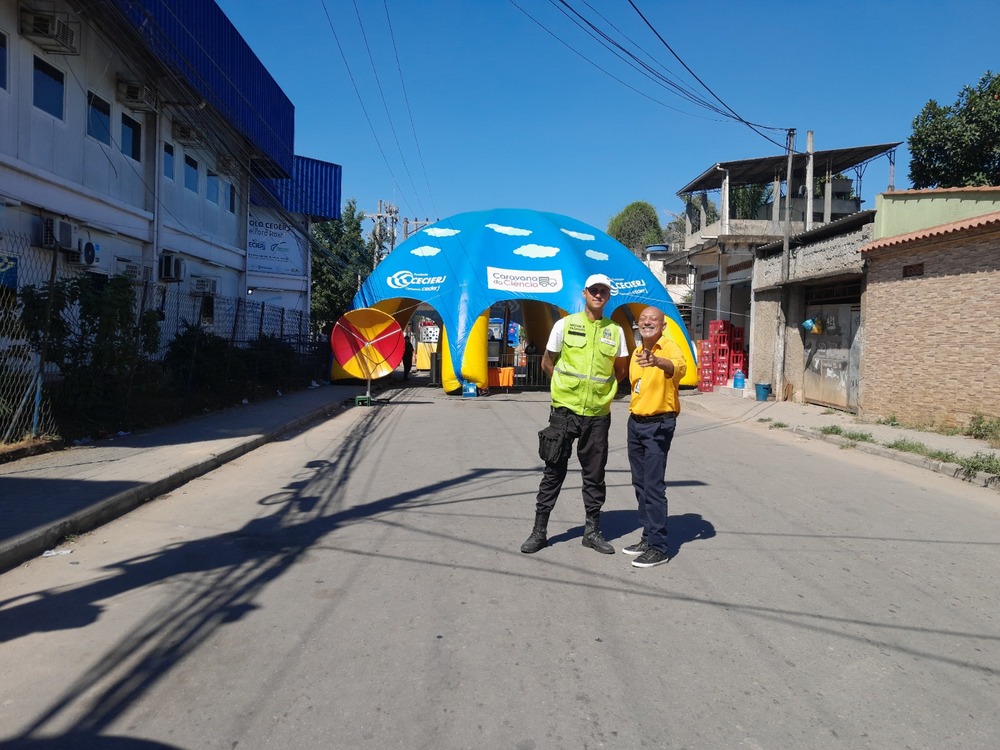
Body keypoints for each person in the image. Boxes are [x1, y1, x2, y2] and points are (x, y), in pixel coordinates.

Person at [520, 273, 629, 555]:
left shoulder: (615, 331)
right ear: (584, 293)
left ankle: (592, 531)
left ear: (608, 295)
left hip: (597, 413)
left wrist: (603, 393)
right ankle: (539, 531)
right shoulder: (564, 325)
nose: (598, 295)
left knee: (594, 475)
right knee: (553, 471)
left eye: (603, 291)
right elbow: (547, 362)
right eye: (594, 290)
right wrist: (562, 385)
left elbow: (621, 369)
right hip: (564, 411)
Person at [622, 306, 687, 568]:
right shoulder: (637, 352)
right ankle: (648, 536)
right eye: (644, 319)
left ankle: (659, 547)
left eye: (654, 320)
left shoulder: (669, 347)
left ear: (662, 326)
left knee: (653, 485)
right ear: (638, 324)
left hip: (658, 424)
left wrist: (658, 361)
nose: (648, 322)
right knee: (640, 483)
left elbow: (678, 368)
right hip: (635, 423)